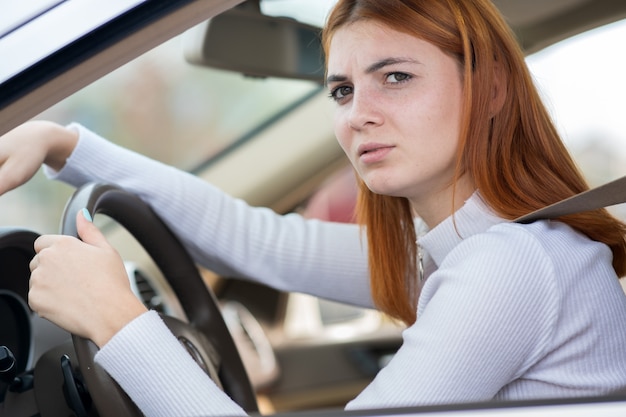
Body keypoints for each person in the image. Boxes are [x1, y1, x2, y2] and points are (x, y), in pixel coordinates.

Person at [1, 0, 626, 415]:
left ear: (490, 88)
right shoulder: (474, 250)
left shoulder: (511, 266)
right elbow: (259, 241)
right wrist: (64, 143)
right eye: (343, 89)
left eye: (396, 77)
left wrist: (115, 320)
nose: (358, 114)